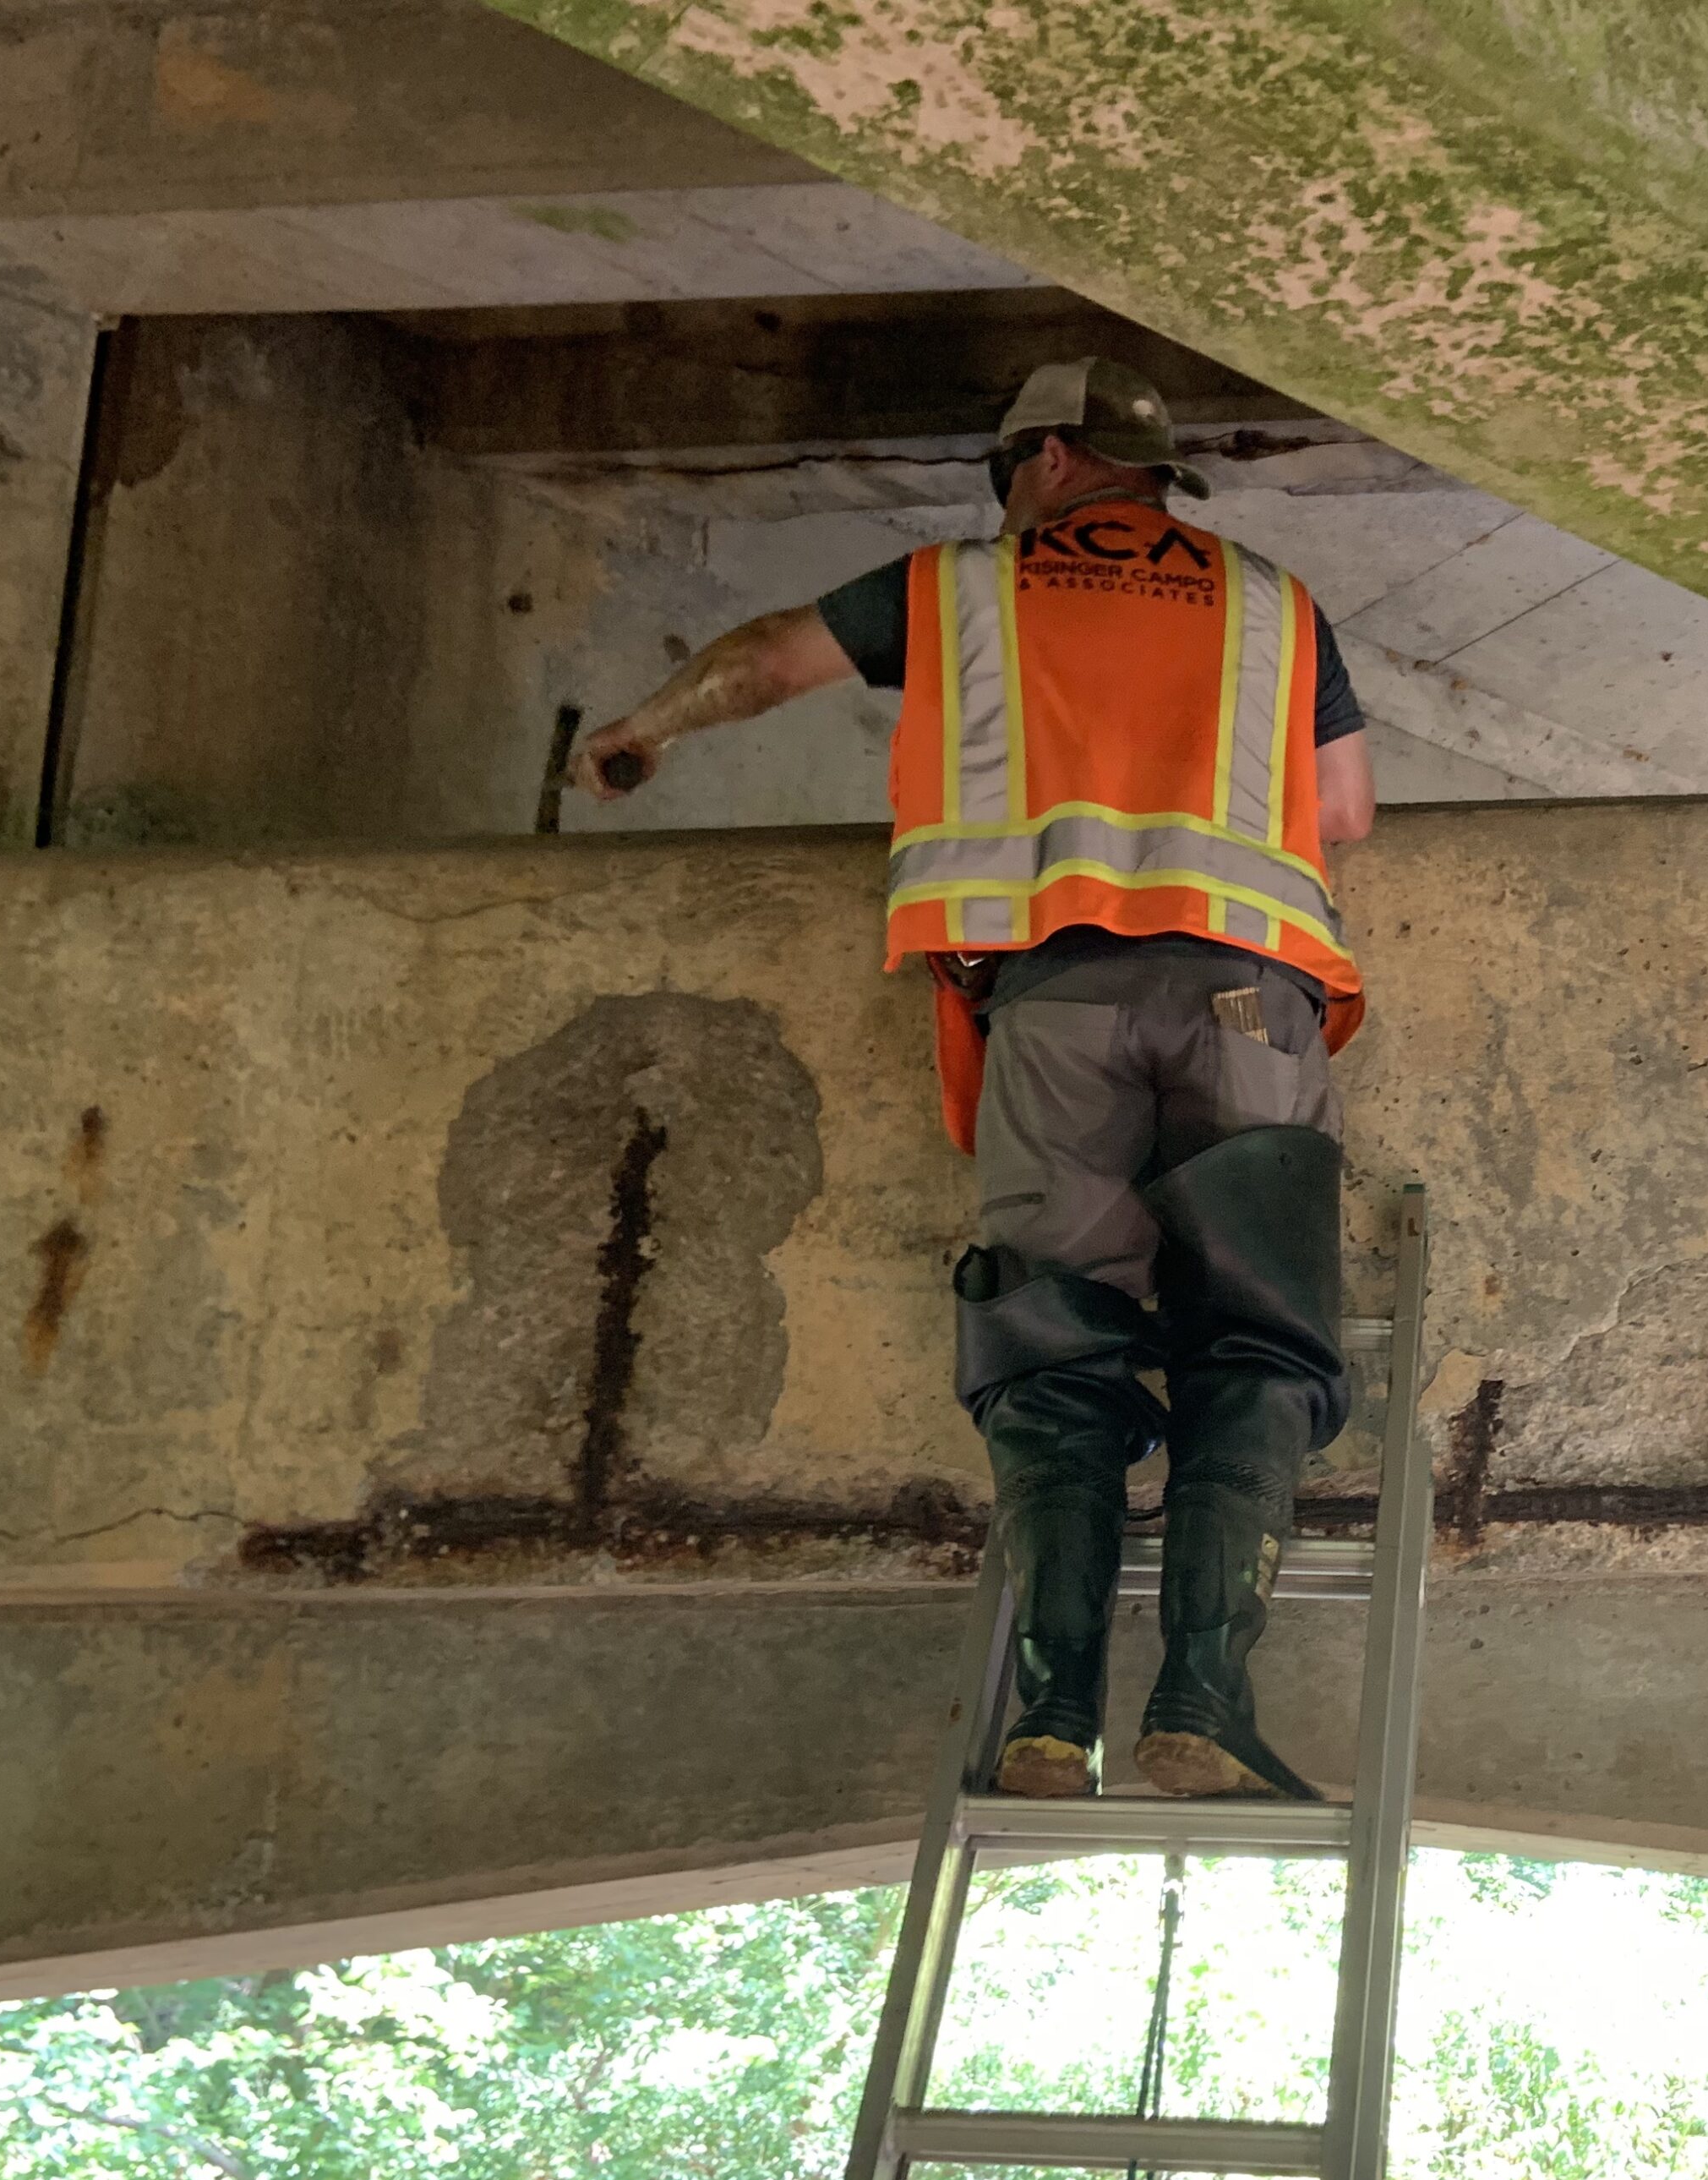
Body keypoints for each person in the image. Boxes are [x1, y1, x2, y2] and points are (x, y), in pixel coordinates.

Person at [571, 357, 1378, 1803]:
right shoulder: (1274, 600)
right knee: (1254, 1349)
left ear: (1046, 462)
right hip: (1251, 998)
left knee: (1054, 1360)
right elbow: (1345, 812)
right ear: (1148, 474)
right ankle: (1200, 1697)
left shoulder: (960, 588)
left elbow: (764, 657)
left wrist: (642, 733)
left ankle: (1050, 1722)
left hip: (1054, 1008)